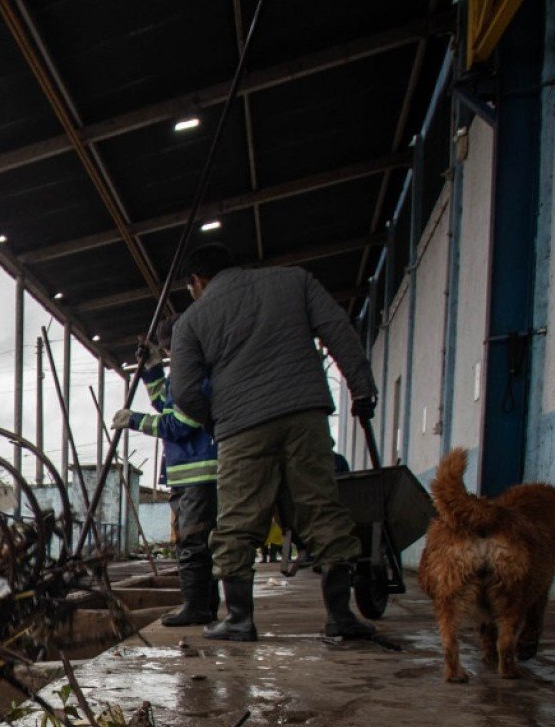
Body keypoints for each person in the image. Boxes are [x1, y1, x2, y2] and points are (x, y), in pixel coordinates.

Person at [167, 243, 378, 642]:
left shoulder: (191, 321)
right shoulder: (294, 281)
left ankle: (240, 620)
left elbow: (184, 391)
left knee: (237, 521)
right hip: (305, 414)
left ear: (197, 281)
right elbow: (339, 333)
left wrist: (219, 421)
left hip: (240, 426)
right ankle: (340, 618)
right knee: (321, 508)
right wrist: (362, 389)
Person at [113, 326, 218, 626]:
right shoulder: (182, 372)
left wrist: (134, 420)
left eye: (169, 348)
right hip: (185, 474)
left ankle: (196, 608)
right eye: (165, 349)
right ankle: (204, 604)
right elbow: (164, 402)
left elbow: (179, 424)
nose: (170, 353)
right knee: (194, 542)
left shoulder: (196, 373)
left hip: (197, 473)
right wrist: (152, 368)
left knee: (193, 542)